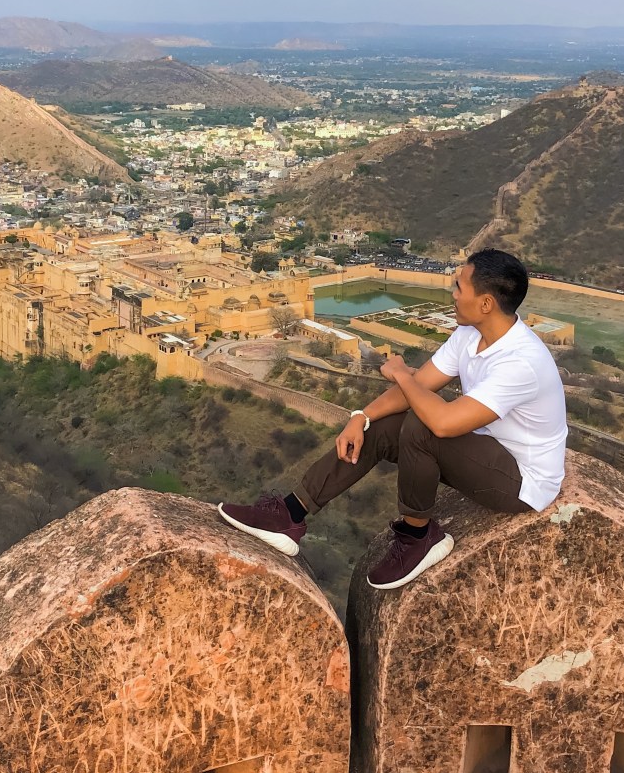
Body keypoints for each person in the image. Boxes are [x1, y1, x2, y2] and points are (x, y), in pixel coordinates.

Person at [218, 249, 568, 590]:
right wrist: (361, 417)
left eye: (460, 286)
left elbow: (442, 423)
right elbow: (420, 387)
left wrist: (401, 374)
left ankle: (420, 536)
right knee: (384, 426)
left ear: (486, 303)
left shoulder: (521, 362)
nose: (452, 293)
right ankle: (291, 513)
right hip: (484, 450)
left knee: (422, 424)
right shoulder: (470, 335)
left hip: (521, 482)